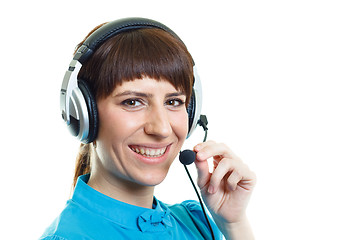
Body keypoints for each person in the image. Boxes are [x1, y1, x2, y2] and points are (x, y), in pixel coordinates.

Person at [40, 17, 256, 240]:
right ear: (84, 115)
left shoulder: (195, 222)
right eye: (132, 102)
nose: (162, 129)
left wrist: (235, 225)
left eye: (173, 102)